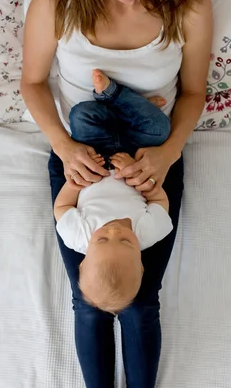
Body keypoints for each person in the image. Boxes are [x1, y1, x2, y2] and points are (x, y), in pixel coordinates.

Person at [21, 0, 212, 388]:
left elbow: (193, 92)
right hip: (85, 151)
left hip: (153, 158)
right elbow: (32, 84)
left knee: (139, 300)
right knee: (91, 302)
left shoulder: (190, 2)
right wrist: (63, 147)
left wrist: (167, 155)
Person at [54, 69, 174, 313]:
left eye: (102, 239)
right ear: (140, 264)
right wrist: (138, 176)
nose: (114, 231)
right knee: (160, 128)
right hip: (137, 151)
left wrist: (75, 183)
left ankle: (127, 109)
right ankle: (119, 99)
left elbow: (62, 208)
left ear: (85, 258)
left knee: (81, 115)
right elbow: (159, 200)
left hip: (94, 150)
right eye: (126, 241)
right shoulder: (149, 232)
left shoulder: (77, 237)